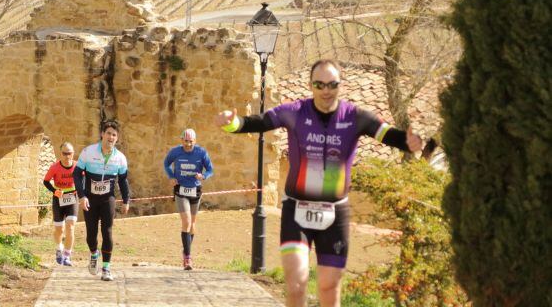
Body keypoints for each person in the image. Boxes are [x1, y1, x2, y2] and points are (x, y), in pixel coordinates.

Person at [215, 59, 422, 307]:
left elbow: (387, 134)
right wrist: (232, 123)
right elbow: (259, 122)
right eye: (319, 84)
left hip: (335, 213)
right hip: (296, 210)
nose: (326, 90)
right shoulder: (294, 112)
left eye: (332, 84)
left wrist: (409, 142)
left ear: (340, 85)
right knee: (296, 283)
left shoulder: (355, 117)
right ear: (311, 86)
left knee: (329, 287)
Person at [73, 120, 130, 281]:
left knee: (107, 231)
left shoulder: (120, 158)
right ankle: (94, 253)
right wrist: (82, 196)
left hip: (108, 198)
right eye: (108, 133)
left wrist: (126, 200)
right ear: (102, 134)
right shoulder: (88, 152)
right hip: (90, 198)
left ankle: (106, 268)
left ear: (117, 138)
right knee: (91, 234)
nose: (111, 137)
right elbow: (77, 174)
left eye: (114, 135)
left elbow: (123, 180)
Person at [162, 128, 213, 271]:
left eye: (191, 142)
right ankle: (188, 257)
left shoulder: (201, 153)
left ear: (195, 141)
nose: (188, 144)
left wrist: (203, 176)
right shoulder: (176, 152)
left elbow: (210, 169)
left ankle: (186, 249)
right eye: (186, 141)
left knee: (193, 224)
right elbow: (166, 163)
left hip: (195, 190)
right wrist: (171, 176)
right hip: (181, 190)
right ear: (181, 140)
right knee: (187, 222)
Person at [42, 142, 79, 266]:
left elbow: (84, 179)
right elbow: (46, 181)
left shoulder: (77, 166)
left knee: (71, 226)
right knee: (59, 229)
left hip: (73, 198)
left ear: (73, 154)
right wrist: (54, 191)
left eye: (69, 153)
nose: (67, 156)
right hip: (58, 199)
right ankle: (59, 248)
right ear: (60, 154)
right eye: (64, 153)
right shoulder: (54, 167)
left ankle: (67, 255)